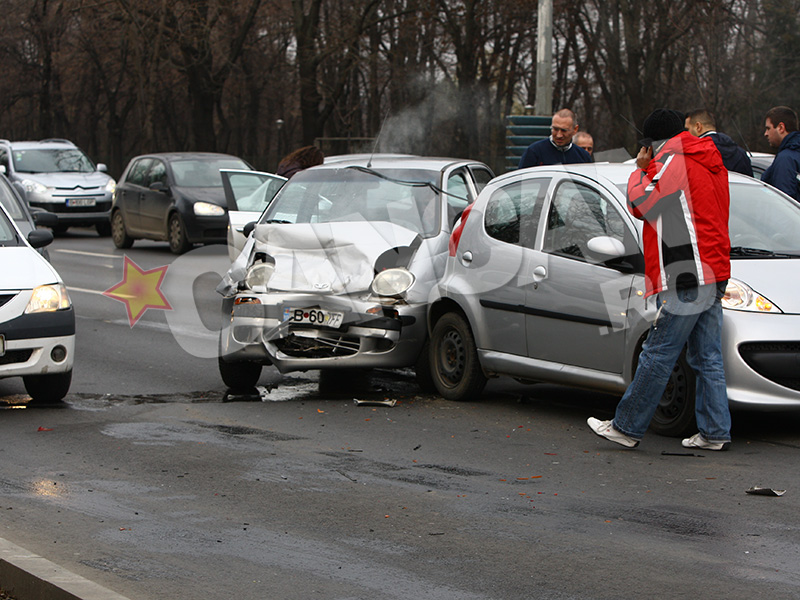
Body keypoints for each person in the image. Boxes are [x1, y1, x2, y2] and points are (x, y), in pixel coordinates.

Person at [587, 108, 732, 451]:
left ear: (653, 143)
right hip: (715, 268)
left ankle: (626, 426)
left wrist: (640, 170)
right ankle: (714, 432)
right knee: (707, 355)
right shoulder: (711, 160)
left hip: (687, 273)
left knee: (658, 352)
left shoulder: (674, 161)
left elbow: (642, 203)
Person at [684, 109, 753, 176]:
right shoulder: (740, 153)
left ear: (698, 127)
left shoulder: (698, 153)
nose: (686, 133)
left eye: (687, 129)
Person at [517, 108, 592, 168]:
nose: (559, 135)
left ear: (575, 129)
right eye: (555, 129)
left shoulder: (583, 157)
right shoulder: (534, 152)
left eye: (564, 131)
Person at [761, 106, 800, 202]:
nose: (765, 133)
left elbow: (784, 203)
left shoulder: (786, 159)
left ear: (781, 128)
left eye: (768, 128)